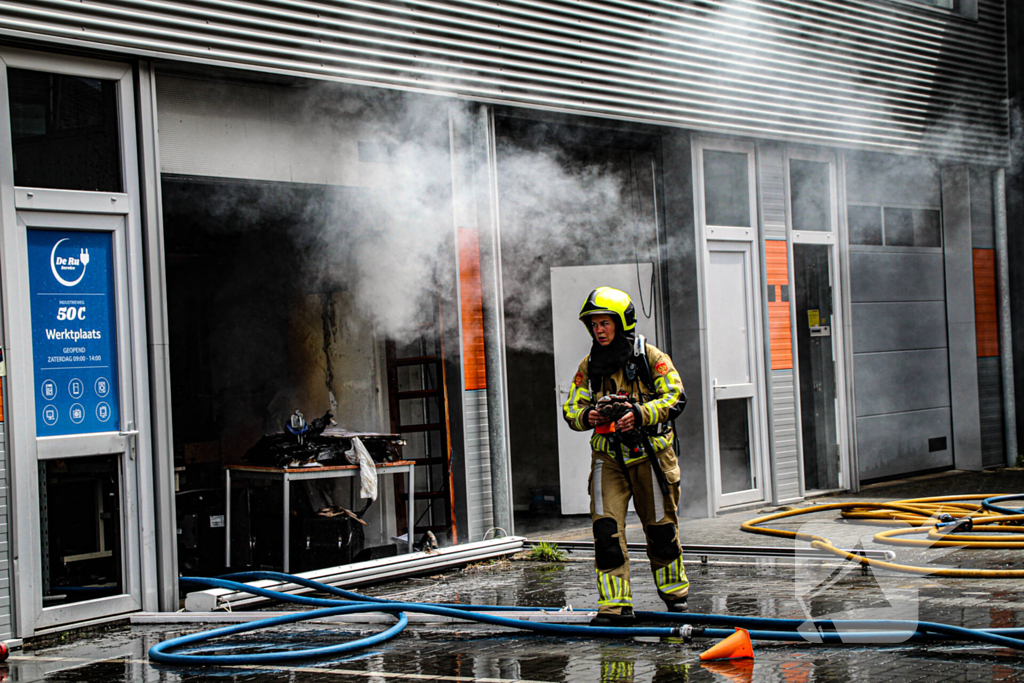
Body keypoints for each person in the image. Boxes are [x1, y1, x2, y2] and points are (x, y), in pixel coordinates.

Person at [562, 286, 688, 626]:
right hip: (608, 459)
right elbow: (571, 407)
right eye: (594, 324)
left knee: (661, 531)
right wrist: (589, 416)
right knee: (606, 532)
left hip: (650, 456)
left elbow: (676, 398)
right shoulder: (589, 365)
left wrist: (640, 413)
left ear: (621, 323)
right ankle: (614, 607)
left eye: (605, 322)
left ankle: (675, 597)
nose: (599, 330)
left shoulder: (651, 358)